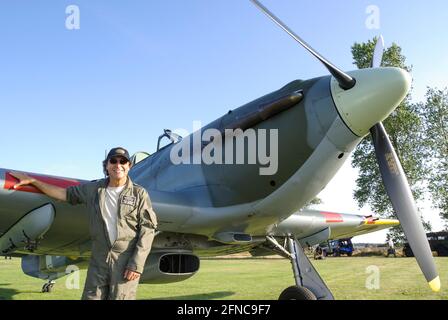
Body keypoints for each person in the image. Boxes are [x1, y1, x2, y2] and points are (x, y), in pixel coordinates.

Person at [10, 147, 157, 300]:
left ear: (129, 166)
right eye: (113, 161)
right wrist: (34, 182)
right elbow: (64, 194)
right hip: (99, 258)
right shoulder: (94, 189)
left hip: (125, 261)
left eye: (123, 161)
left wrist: (136, 264)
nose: (118, 165)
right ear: (106, 165)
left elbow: (148, 230)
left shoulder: (139, 194)